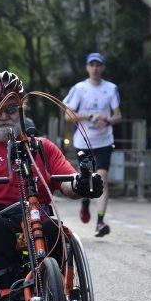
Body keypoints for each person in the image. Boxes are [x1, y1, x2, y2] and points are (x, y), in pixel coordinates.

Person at [0, 71, 103, 284]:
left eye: (11, 109)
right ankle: (5, 296)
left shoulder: (42, 147)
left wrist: (83, 183)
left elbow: (68, 182)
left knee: (54, 230)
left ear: (21, 110)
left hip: (35, 218)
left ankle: (55, 293)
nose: (4, 116)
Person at [64, 52, 121, 237]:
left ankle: (100, 221)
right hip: (84, 141)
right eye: (92, 65)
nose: (95, 68)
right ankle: (85, 202)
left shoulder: (111, 88)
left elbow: (118, 115)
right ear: (87, 67)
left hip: (105, 141)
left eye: (98, 65)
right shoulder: (79, 89)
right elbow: (68, 115)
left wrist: (108, 121)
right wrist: (89, 116)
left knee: (102, 179)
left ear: (102, 67)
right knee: (87, 179)